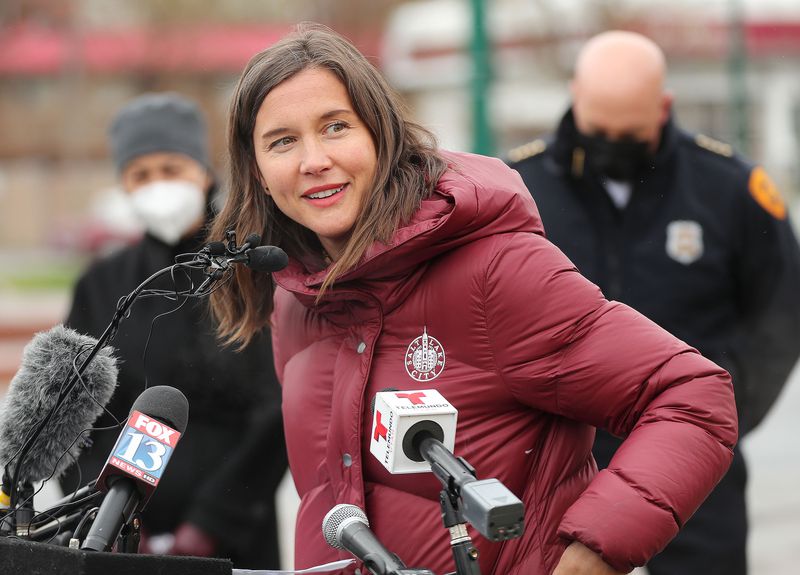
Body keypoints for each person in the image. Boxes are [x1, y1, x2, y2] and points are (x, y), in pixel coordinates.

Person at [209, 23, 737, 575]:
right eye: (282, 141)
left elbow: (693, 398)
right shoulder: (295, 304)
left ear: (382, 136)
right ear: (259, 174)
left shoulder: (494, 271)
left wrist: (594, 554)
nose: (312, 159)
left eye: (335, 126)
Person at [507, 31, 800, 575]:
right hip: (556, 458)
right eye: (600, 130)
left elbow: (782, 311)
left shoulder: (728, 188)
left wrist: (725, 416)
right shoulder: (518, 188)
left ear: (664, 106)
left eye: (629, 133)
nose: (612, 144)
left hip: (697, 462)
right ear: (574, 95)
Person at [60, 93, 288, 569]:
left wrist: (210, 526)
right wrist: (104, 518)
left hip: (234, 542)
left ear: (205, 172)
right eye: (141, 175)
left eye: (172, 169)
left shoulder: (250, 272)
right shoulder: (101, 285)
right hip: (120, 544)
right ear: (123, 184)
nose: (157, 185)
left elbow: (276, 413)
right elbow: (73, 416)